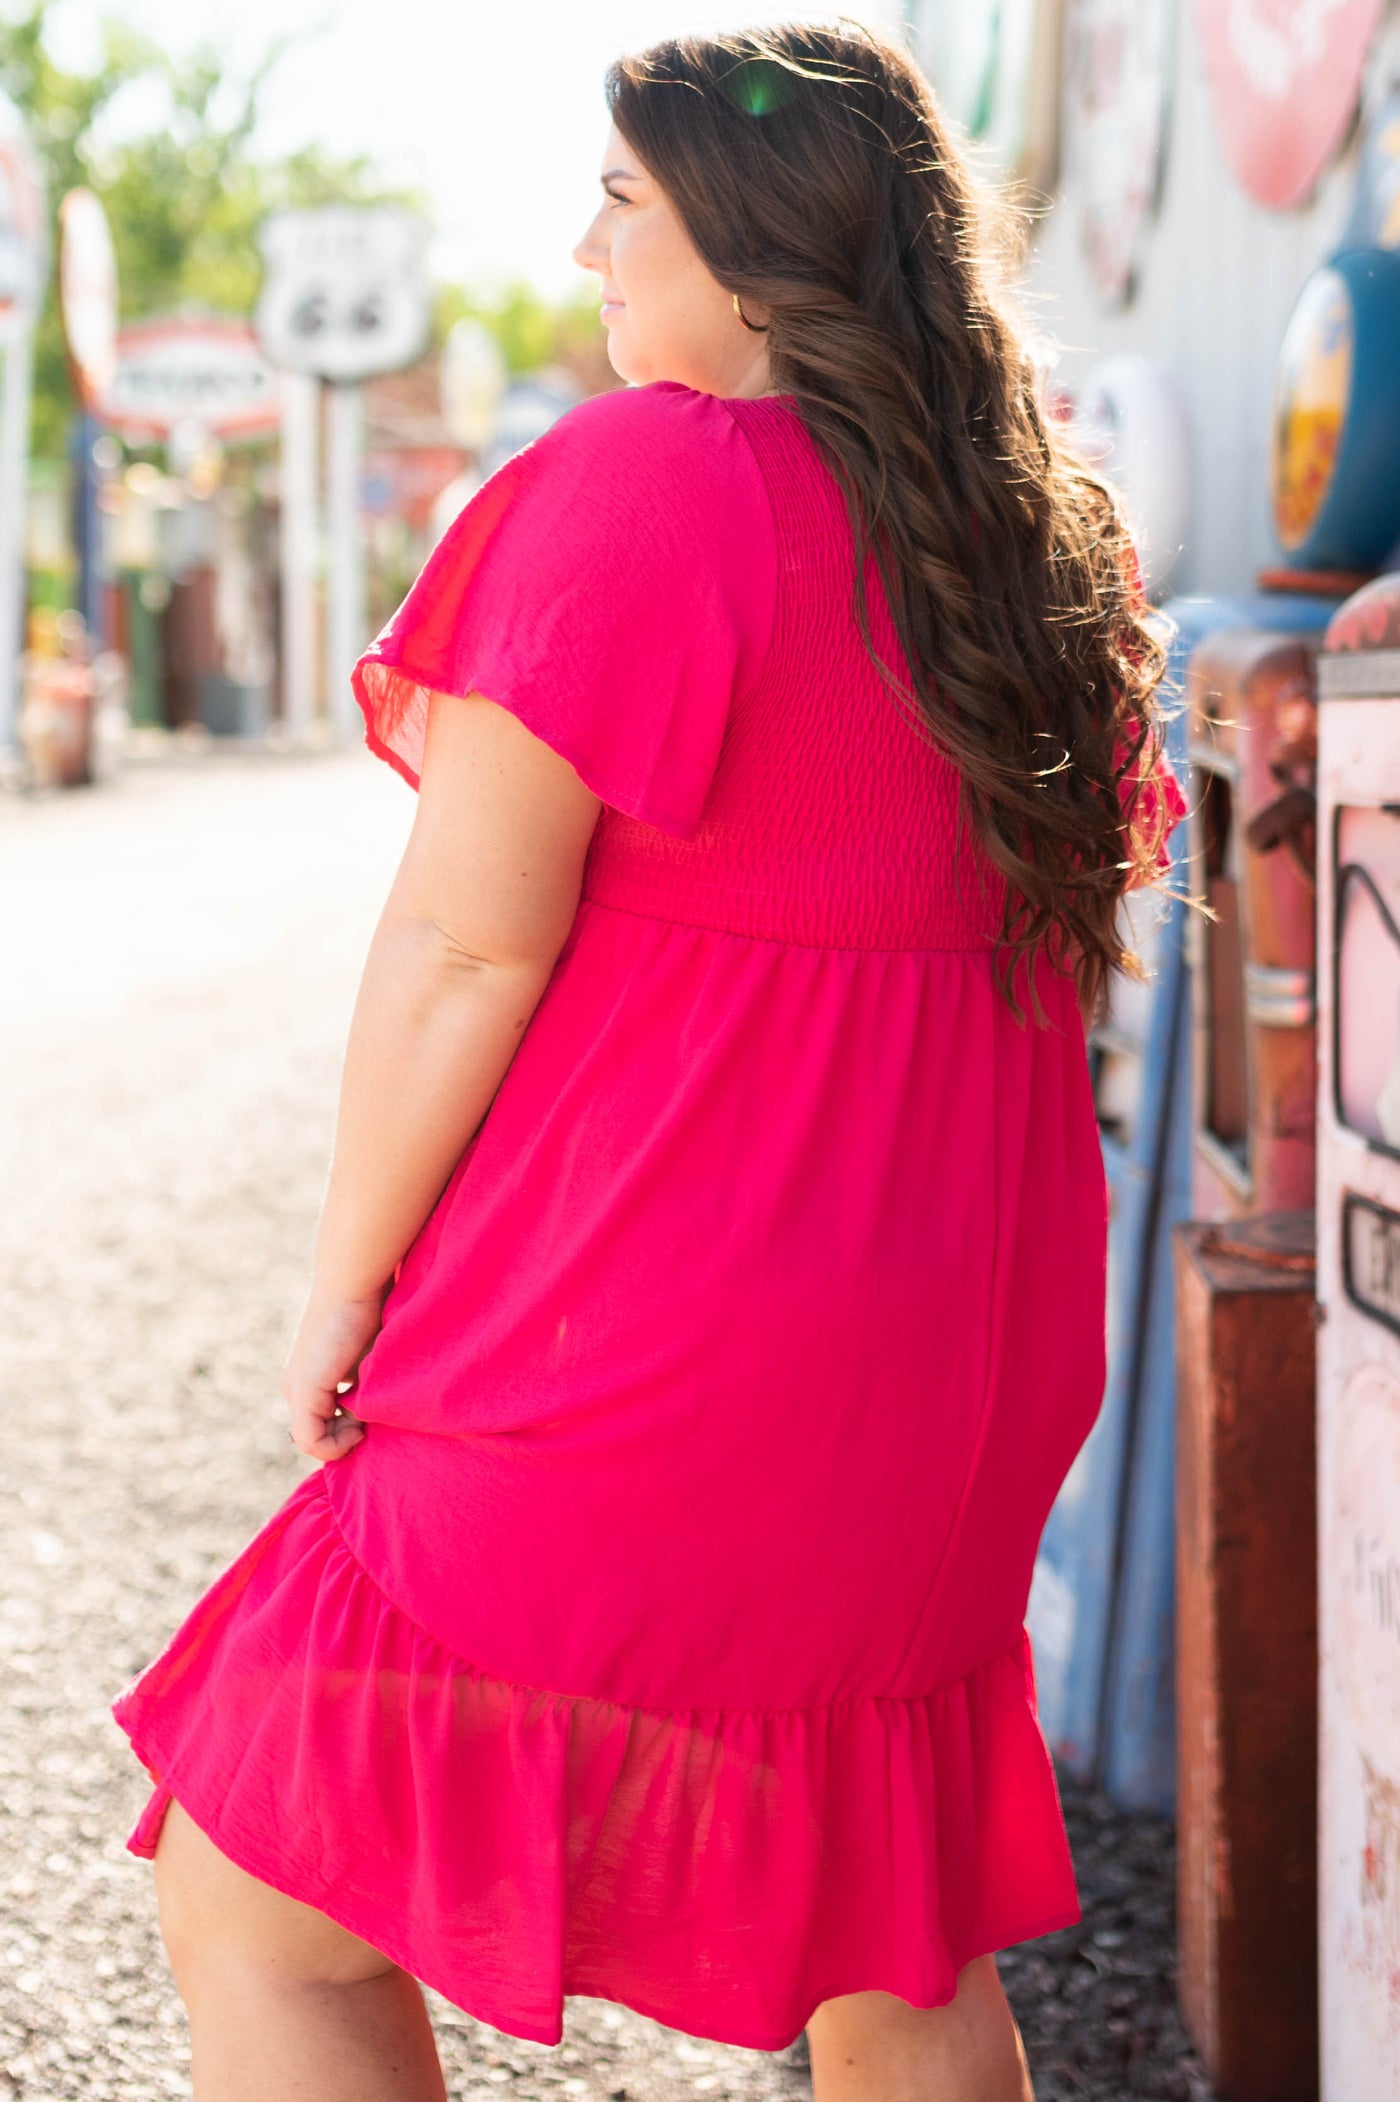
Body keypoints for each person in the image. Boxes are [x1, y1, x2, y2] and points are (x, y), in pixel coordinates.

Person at [112, 20, 1189, 2102]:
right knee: (896, 1954)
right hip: (952, 1370)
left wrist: (348, 1282)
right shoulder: (1039, 545)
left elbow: (462, 944)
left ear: (751, 230)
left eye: (620, 198)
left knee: (258, 1894)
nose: (585, 243)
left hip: (650, 1347)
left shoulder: (640, 489)